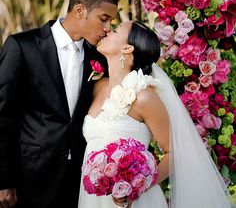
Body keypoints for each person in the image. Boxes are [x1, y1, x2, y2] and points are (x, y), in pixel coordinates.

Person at [78, 20, 232, 208]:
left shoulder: (144, 97)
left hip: (135, 201)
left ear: (127, 48)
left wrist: (136, 187)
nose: (107, 30)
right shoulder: (96, 86)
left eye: (116, 30)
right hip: (92, 198)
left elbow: (173, 152)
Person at [0, 0, 117, 208]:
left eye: (111, 21)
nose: (108, 28)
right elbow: (3, 115)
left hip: (80, 181)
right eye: (104, 18)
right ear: (80, 10)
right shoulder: (22, 47)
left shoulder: (99, 58)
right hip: (30, 178)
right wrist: (3, 180)